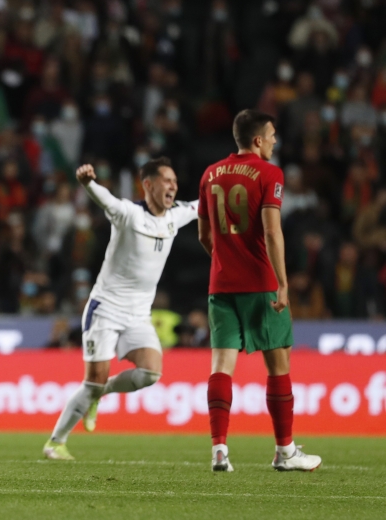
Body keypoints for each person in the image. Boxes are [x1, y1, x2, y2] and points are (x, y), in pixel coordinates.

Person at [44, 158, 199, 460]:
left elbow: (201, 204)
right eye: (167, 180)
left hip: (138, 314)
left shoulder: (175, 216)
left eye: (175, 182)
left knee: (150, 373)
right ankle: (55, 442)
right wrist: (88, 183)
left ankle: (100, 394)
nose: (173, 186)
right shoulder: (129, 213)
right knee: (92, 381)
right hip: (106, 308)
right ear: (149, 185)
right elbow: (106, 200)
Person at [198, 110, 321, 472]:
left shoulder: (210, 174)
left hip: (220, 285)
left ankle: (219, 449)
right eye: (271, 135)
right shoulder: (270, 173)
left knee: (221, 366)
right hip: (261, 285)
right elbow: (271, 232)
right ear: (257, 140)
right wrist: (282, 282)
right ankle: (285, 452)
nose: (274, 141)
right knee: (278, 365)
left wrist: (225, 260)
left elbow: (205, 236)